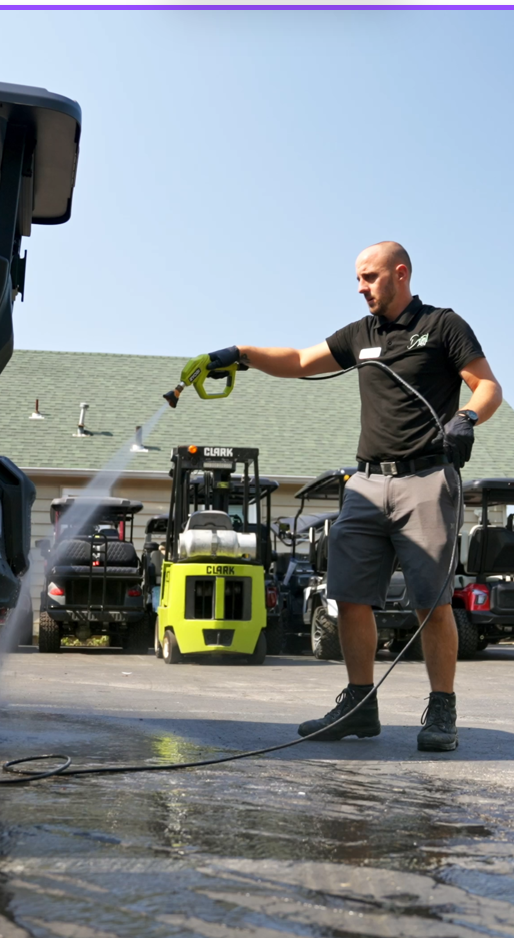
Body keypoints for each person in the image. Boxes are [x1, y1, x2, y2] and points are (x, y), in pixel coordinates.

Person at [201, 241, 502, 752]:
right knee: (347, 595)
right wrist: (243, 354)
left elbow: (487, 386)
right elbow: (299, 360)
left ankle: (442, 710)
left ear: (400, 273)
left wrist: (467, 417)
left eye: (369, 277)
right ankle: (360, 707)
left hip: (426, 480)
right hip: (364, 484)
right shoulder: (360, 335)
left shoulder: (442, 325)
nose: (361, 287)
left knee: (431, 601)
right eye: (358, 279)